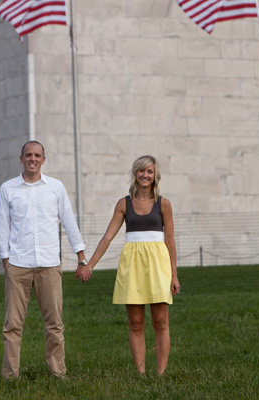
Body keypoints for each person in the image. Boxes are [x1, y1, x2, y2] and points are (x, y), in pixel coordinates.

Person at [75, 155, 180, 376]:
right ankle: (141, 374)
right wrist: (89, 265)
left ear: (155, 176)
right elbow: (107, 238)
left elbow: (170, 241)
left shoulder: (164, 204)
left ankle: (160, 374)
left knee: (160, 322)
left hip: (158, 266)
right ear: (135, 174)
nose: (145, 175)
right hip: (132, 266)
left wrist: (174, 276)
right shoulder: (124, 204)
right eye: (141, 171)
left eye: (149, 172)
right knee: (136, 323)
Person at [0, 140, 87, 379]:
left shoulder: (55, 188)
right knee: (12, 325)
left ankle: (58, 372)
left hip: (49, 265)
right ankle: (10, 374)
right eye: (28, 155)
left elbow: (68, 220)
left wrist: (81, 256)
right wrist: (6, 261)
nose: (32, 159)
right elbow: (3, 226)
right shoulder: (8, 189)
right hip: (18, 265)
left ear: (43, 160)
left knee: (55, 324)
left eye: (37, 155)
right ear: (21, 158)